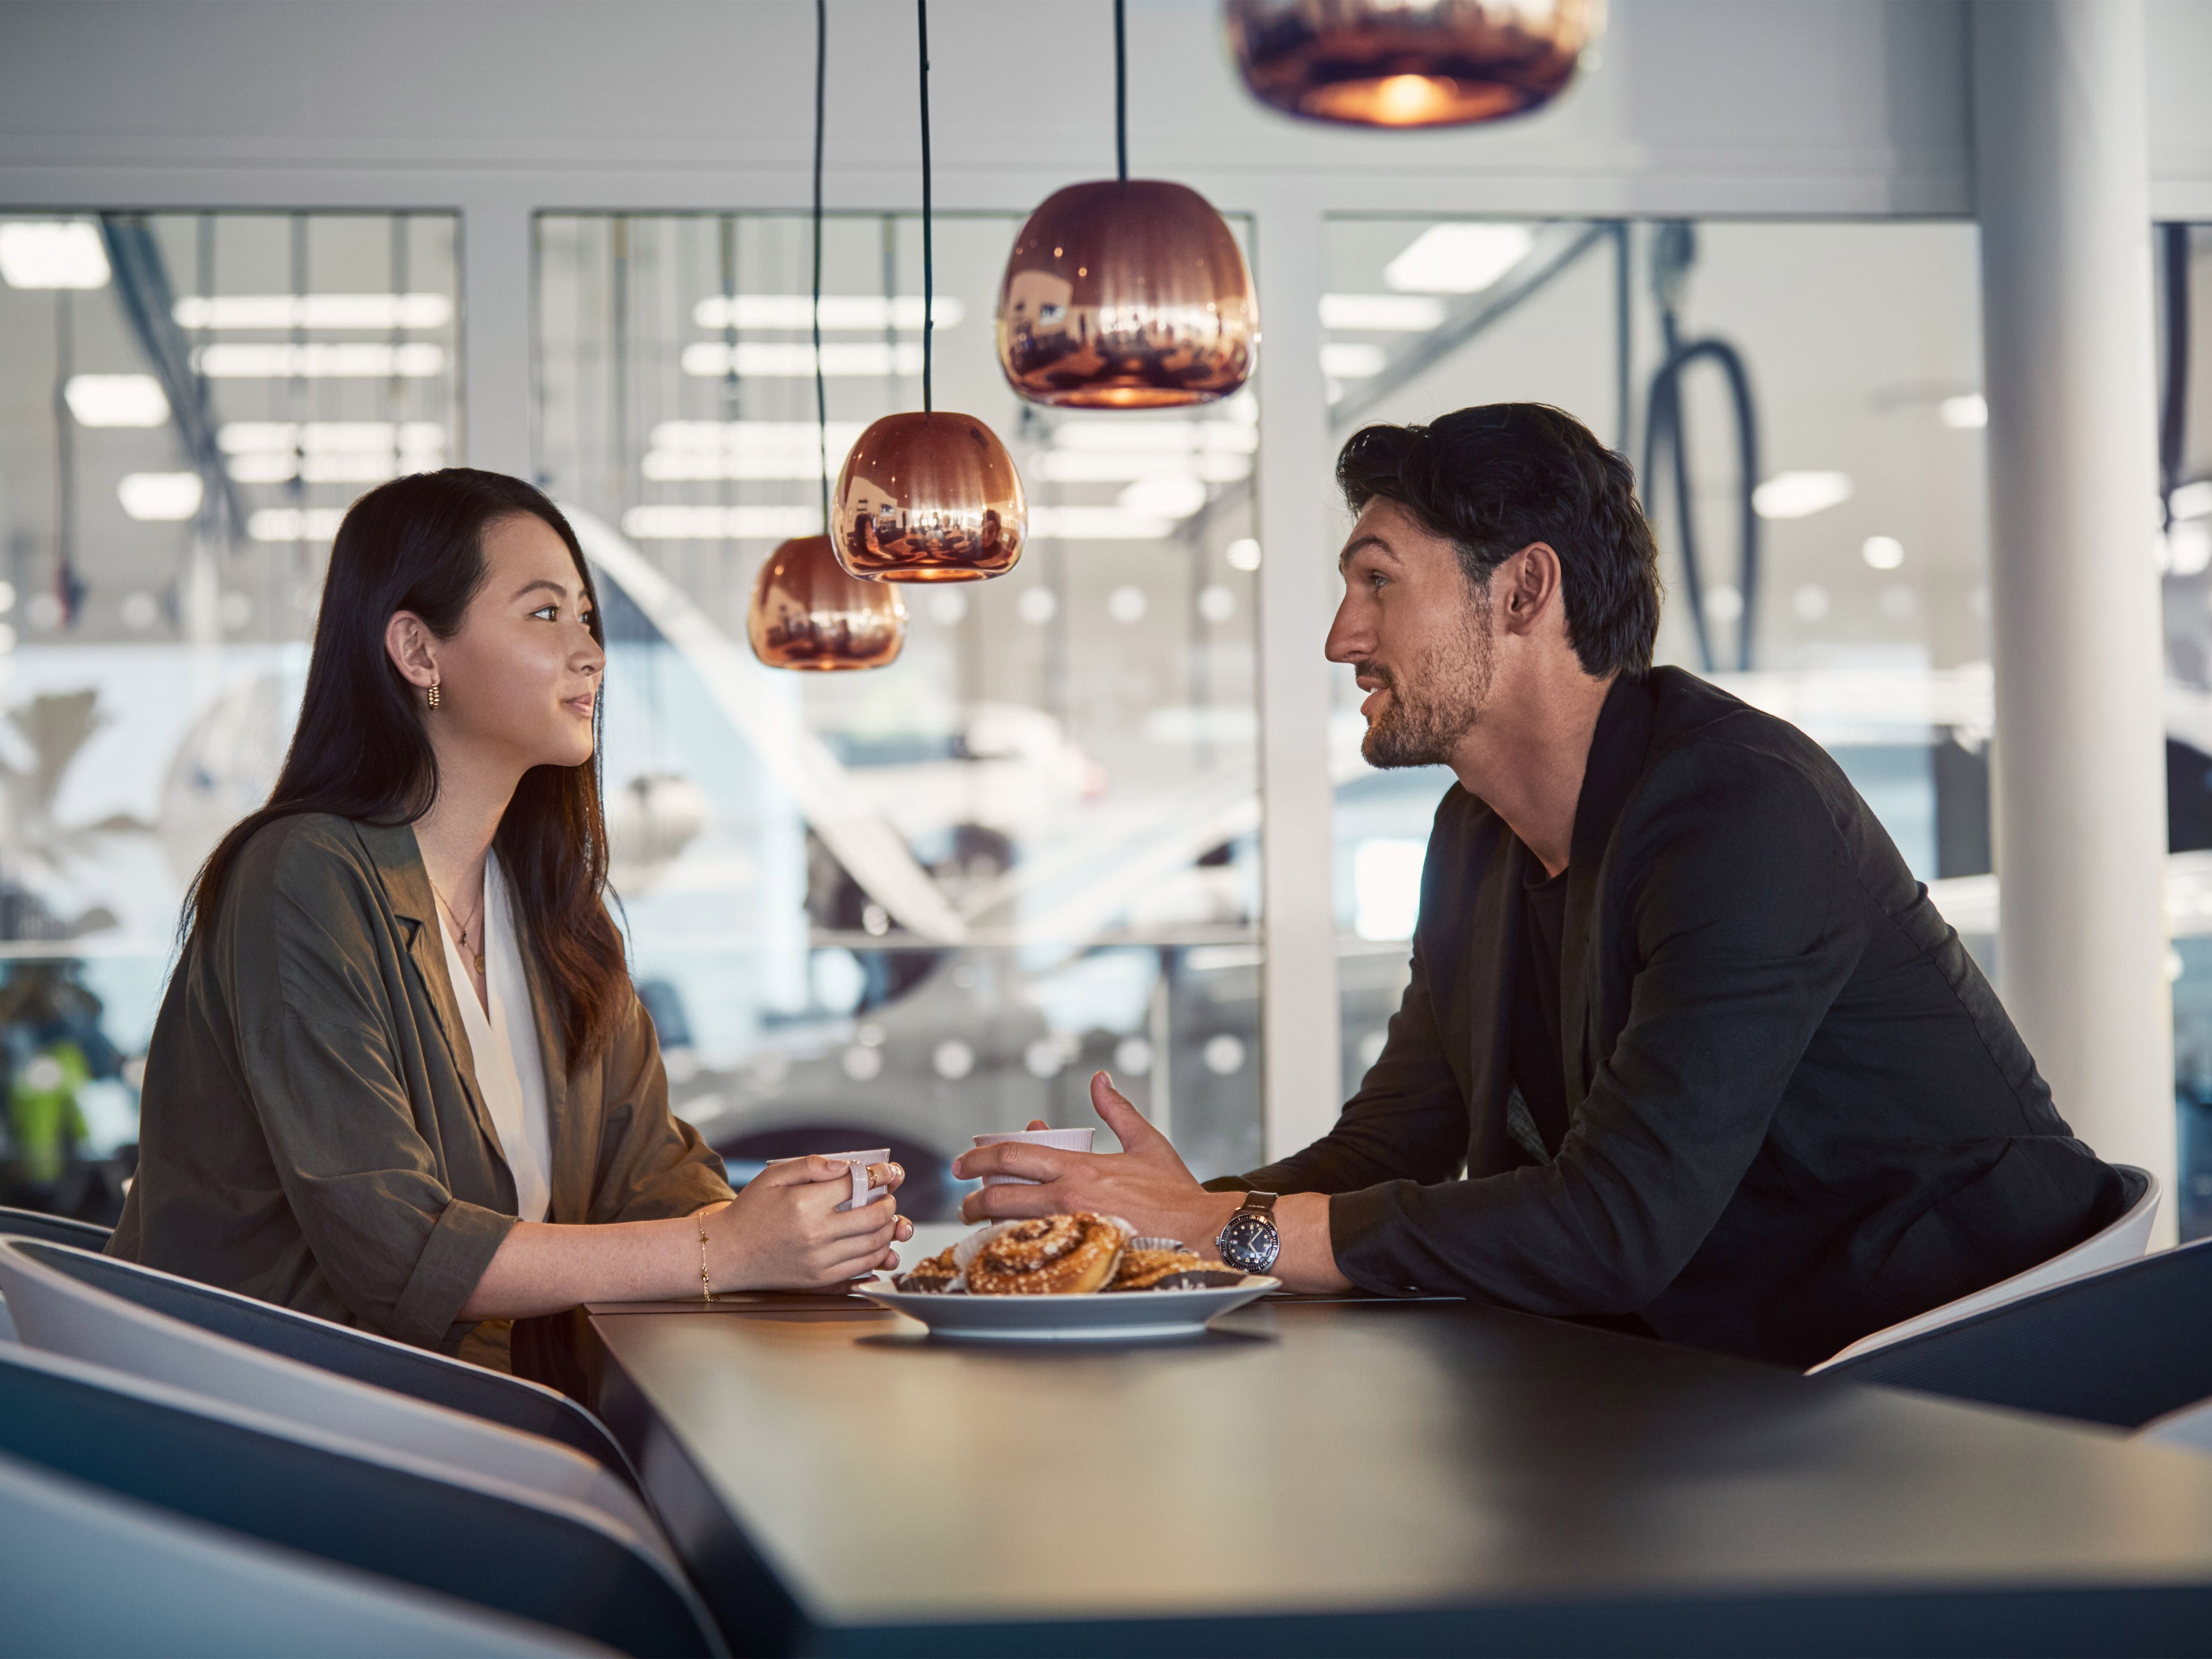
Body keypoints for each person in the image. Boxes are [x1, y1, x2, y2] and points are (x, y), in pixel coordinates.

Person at [953, 403, 2139, 1369]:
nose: (1339, 637)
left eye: (1378, 583)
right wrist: (1148, 1226)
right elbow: (1394, 1144)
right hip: (1735, 1362)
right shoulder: (1476, 831)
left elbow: (1616, 1224)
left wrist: (1217, 1231)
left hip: (1957, 1372)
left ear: (1523, 593)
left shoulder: (1739, 808)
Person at [111, 469, 910, 1374]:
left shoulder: (549, 908)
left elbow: (645, 1173)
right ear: (418, 652)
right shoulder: (301, 877)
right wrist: (720, 1251)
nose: (591, 652)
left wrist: (794, 1226)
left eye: (585, 615)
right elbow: (397, 1248)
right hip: (277, 1422)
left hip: (470, 1417)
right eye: (544, 615)